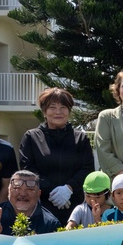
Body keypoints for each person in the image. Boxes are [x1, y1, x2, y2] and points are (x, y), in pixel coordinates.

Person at [19, 87, 96, 225]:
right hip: (41, 205)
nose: (58, 112)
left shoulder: (81, 138)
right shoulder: (31, 137)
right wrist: (52, 191)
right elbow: (28, 168)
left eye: (63, 107)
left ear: (69, 110)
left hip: (74, 206)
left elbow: (87, 168)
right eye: (52, 107)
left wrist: (68, 188)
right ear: (44, 111)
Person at [0, 171, 61, 235]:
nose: (23, 194)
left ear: (39, 194)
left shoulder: (50, 223)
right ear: (8, 191)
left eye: (29, 189)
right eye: (17, 188)